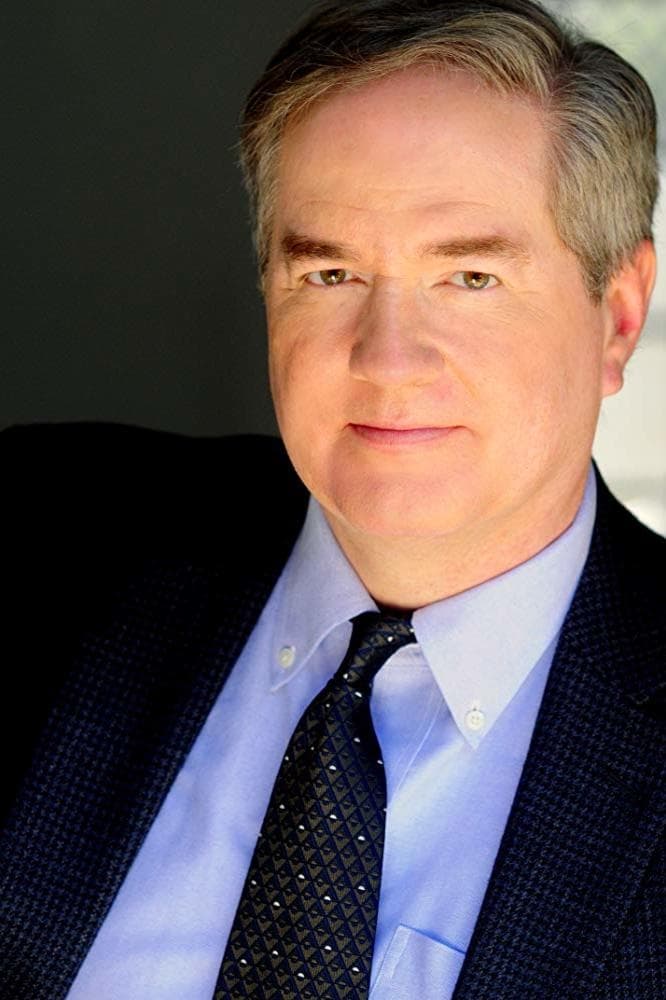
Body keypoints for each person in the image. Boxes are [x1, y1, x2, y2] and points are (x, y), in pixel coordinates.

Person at [1, 0, 664, 998]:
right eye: (331, 272)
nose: (388, 360)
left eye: (470, 277)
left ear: (617, 315)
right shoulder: (38, 530)